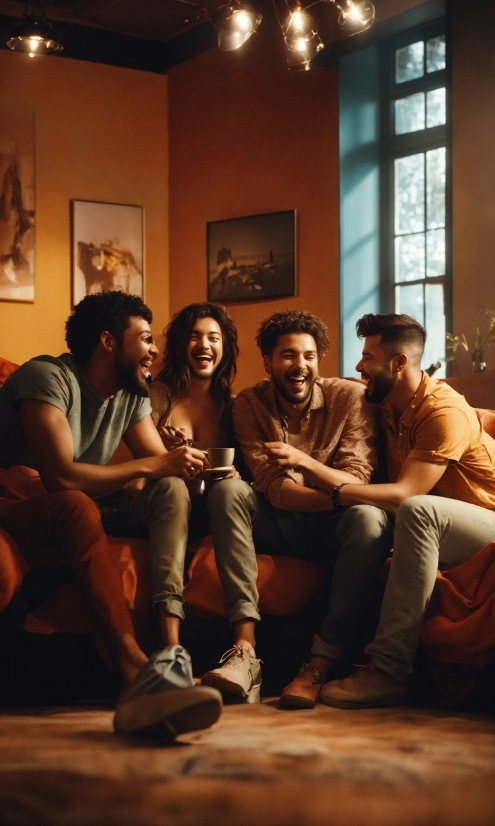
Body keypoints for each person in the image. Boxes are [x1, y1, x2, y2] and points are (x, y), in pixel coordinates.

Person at [0, 291, 221, 736]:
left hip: (81, 506)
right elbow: (60, 477)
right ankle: (134, 669)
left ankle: (170, 651)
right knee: (76, 503)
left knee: (169, 490)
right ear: (107, 341)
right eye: (143, 338)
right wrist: (150, 466)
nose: (155, 349)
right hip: (18, 504)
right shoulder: (46, 377)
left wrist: (184, 464)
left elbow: (163, 466)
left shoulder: (130, 395)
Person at [200, 309, 391, 705]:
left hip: (337, 528)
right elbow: (274, 489)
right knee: (226, 492)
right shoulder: (250, 404)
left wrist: (305, 465)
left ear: (318, 361)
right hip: (279, 521)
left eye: (308, 355)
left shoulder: (350, 398)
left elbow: (358, 478)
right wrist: (335, 490)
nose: (299, 365)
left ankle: (318, 666)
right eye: (288, 355)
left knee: (370, 518)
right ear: (268, 362)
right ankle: (244, 651)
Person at [318, 313, 495, 709]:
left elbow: (404, 497)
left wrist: (329, 485)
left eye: (367, 357)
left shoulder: (443, 411)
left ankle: (388, 671)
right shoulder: (388, 404)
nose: (359, 366)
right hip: (445, 529)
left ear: (398, 363)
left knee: (417, 510)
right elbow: (339, 390)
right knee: (390, 519)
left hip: (487, 521)